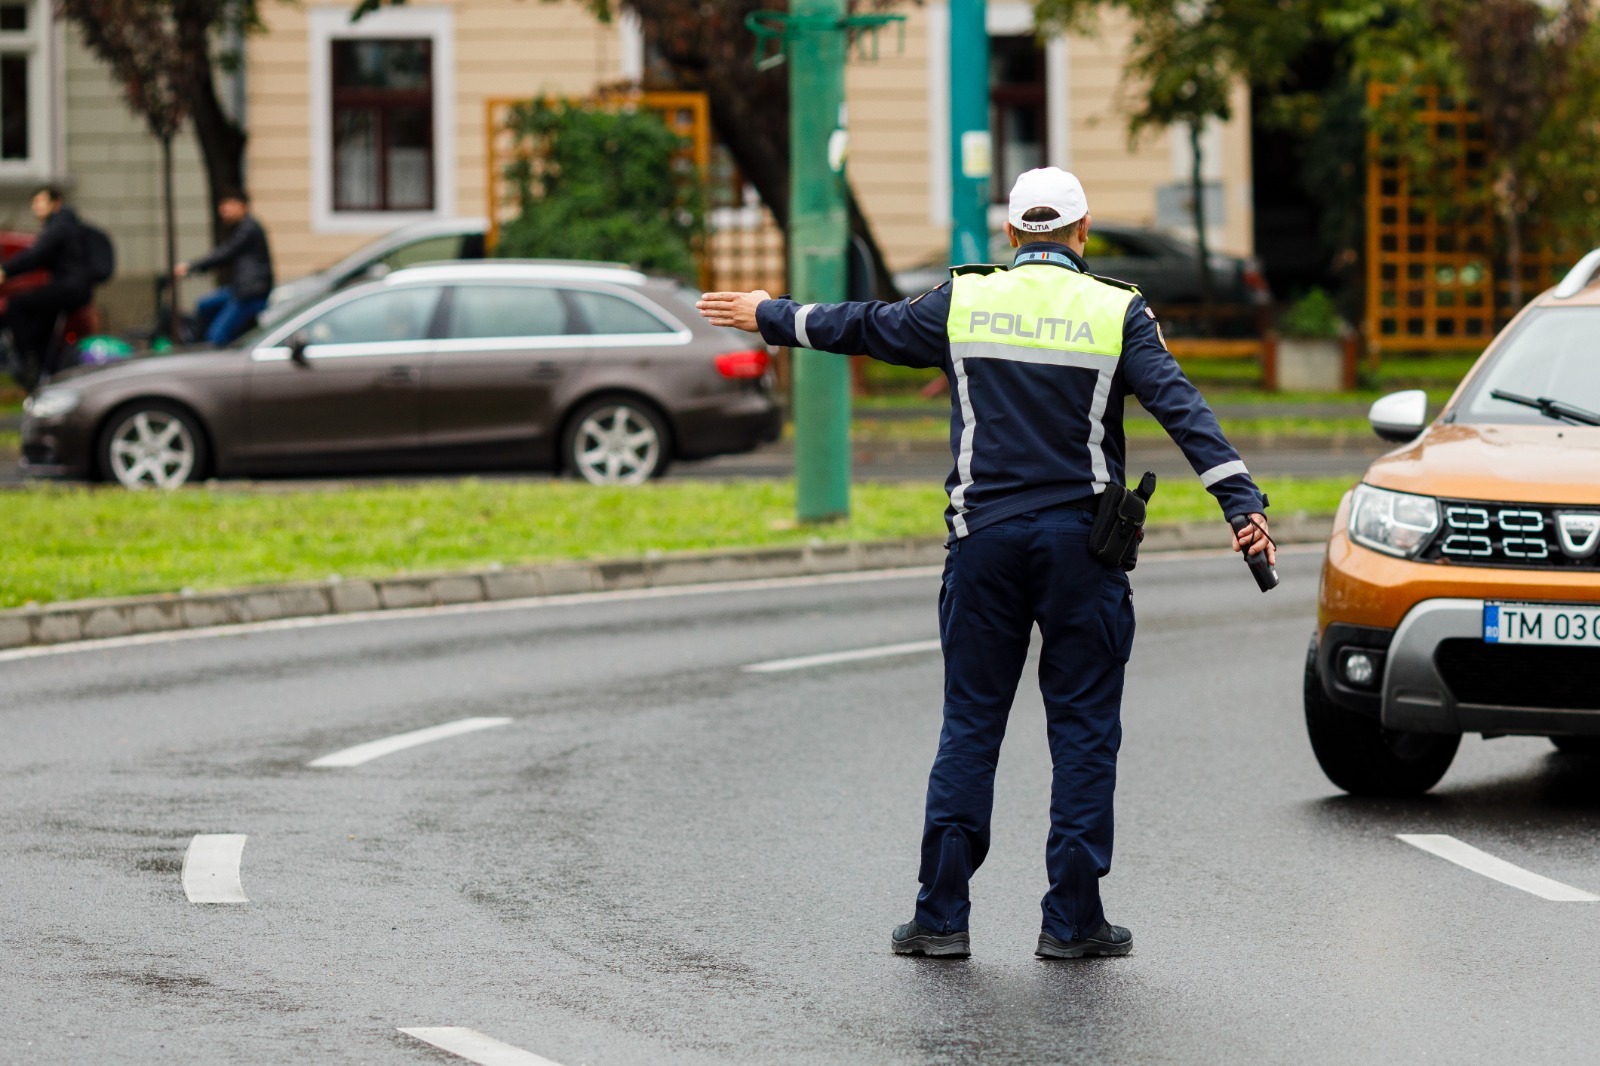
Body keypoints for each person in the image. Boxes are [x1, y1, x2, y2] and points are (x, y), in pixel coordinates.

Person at [697, 168, 1275, 961]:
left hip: (985, 546)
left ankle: (941, 919)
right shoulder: (1117, 312)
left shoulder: (964, 301)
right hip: (1083, 552)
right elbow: (1183, 410)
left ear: (1010, 236)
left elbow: (864, 325)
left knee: (971, 725)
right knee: (1082, 732)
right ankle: (1072, 924)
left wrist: (771, 314)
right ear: (1082, 233)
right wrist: (1241, 506)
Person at [0, 185, 92, 389]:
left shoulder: (60, 226)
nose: (36, 208)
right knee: (42, 330)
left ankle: (28, 362)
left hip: (69, 288)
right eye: (34, 203)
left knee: (16, 306)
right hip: (70, 287)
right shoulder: (62, 224)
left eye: (41, 202)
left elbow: (35, 255)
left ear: (55, 204)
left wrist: (5, 271)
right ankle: (44, 373)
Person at [175, 189, 274, 345]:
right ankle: (196, 340)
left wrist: (191, 267)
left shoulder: (248, 228)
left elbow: (226, 252)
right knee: (204, 305)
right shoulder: (242, 227)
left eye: (228, 205)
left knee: (217, 335)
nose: (223, 210)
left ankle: (218, 354)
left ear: (242, 206)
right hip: (241, 289)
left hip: (250, 293)